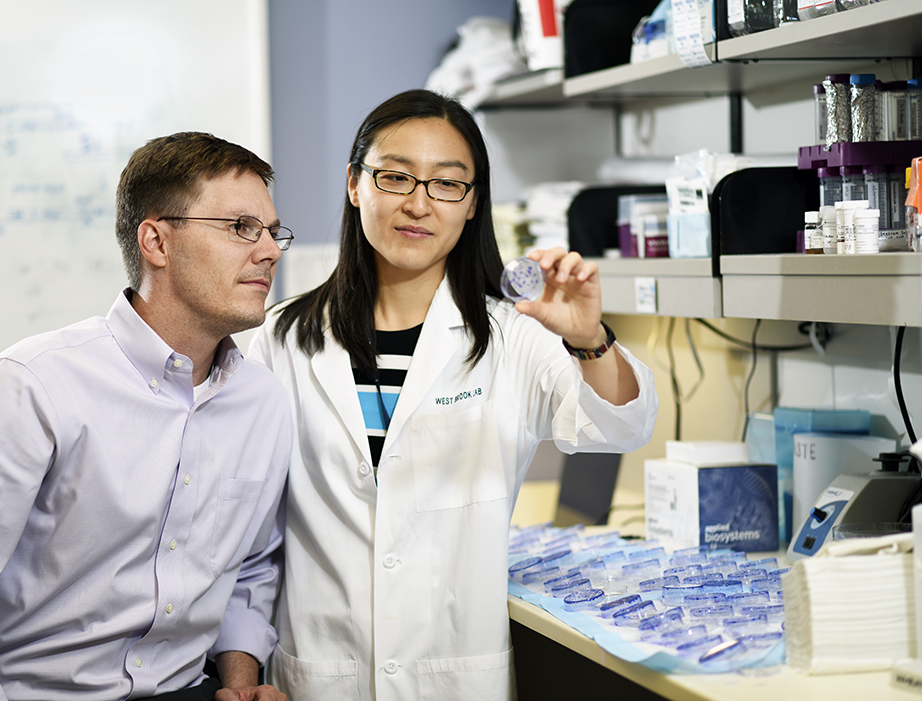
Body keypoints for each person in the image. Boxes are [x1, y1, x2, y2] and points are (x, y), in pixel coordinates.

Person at [247, 90, 658, 700]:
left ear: (472, 205)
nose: (418, 203)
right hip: (319, 671)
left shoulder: (514, 337)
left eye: (447, 184)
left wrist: (589, 339)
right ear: (356, 186)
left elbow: (619, 428)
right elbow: (251, 535)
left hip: (454, 673)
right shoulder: (281, 340)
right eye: (395, 177)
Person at [0, 132, 293, 701]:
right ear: (156, 240)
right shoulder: (33, 384)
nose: (270, 250)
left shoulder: (264, 404)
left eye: (273, 232)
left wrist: (241, 682)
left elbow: (249, 568)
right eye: (241, 228)